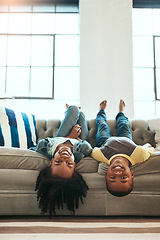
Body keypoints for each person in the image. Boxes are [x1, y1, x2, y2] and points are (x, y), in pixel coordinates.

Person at [35, 104, 92, 216]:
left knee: (74, 109)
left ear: (51, 162)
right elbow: (87, 146)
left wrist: (69, 137)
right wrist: (75, 139)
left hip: (61, 137)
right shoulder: (79, 153)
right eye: (69, 163)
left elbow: (41, 143)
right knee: (81, 115)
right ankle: (76, 113)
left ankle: (68, 111)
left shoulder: (45, 149)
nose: (64, 158)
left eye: (58, 162)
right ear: (74, 165)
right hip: (79, 139)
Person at [91, 99, 154, 197]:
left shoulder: (101, 156)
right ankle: (121, 111)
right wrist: (146, 146)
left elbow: (93, 151)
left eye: (112, 177)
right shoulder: (139, 155)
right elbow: (149, 148)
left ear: (106, 174)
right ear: (132, 174)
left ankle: (101, 110)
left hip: (104, 141)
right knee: (124, 124)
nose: (118, 173)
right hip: (125, 139)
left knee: (102, 125)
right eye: (123, 177)